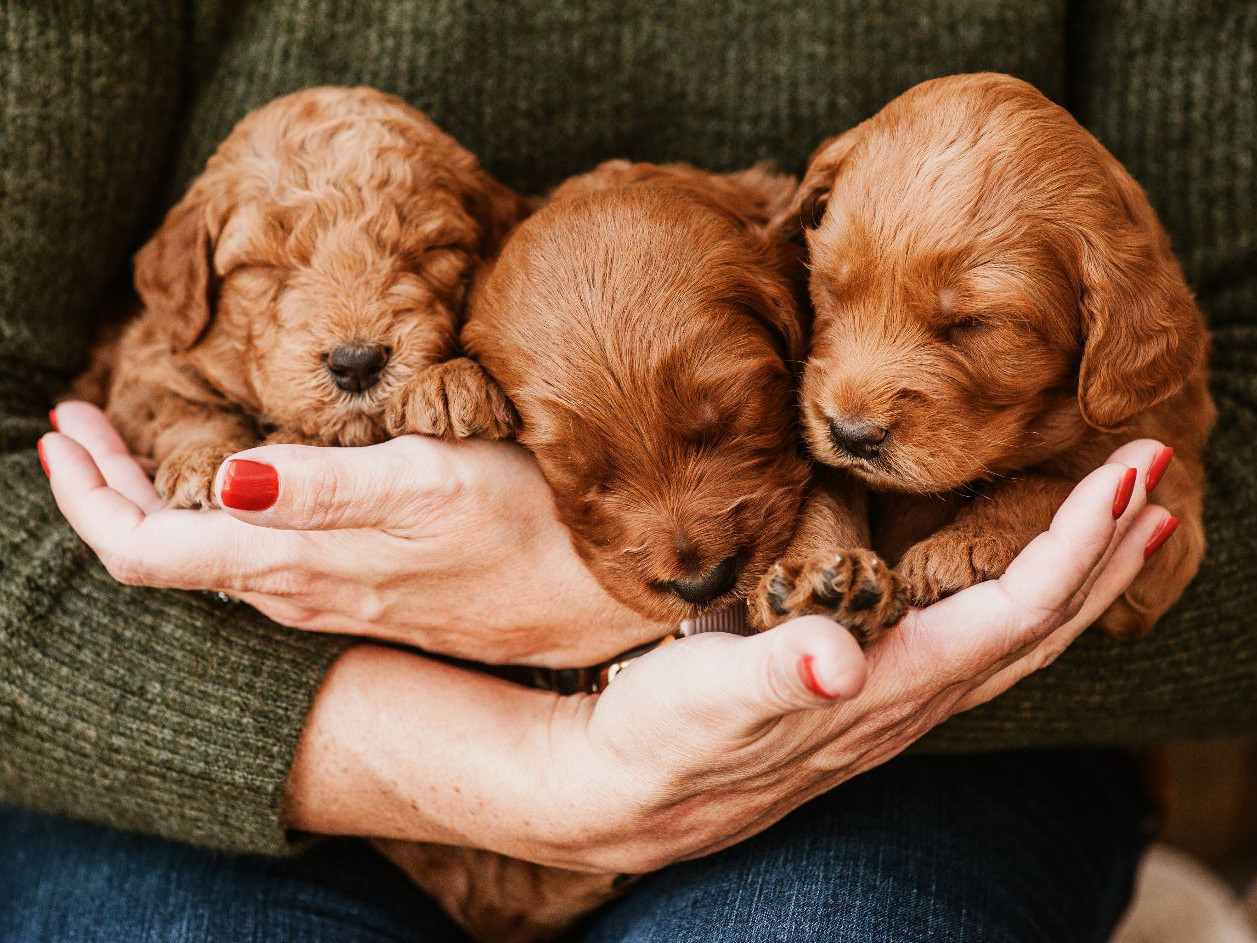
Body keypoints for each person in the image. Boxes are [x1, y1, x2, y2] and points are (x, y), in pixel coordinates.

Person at [3, 3, 1254, 941]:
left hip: (919, 758)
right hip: (215, 723)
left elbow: (1209, 409)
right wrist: (509, 762)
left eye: (736, 411)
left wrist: (895, 664)